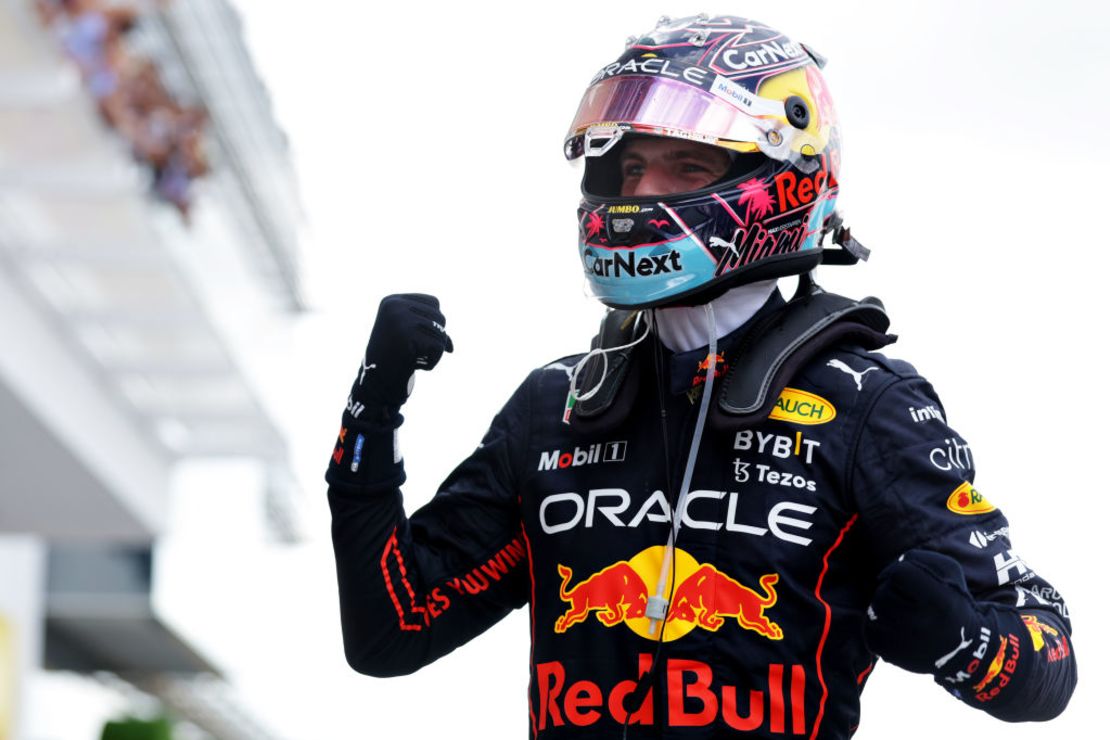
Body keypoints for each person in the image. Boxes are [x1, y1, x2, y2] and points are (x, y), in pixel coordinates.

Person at [326, 14, 1076, 738]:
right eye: (630, 166)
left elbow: (1047, 657)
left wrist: (965, 639)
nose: (642, 193)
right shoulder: (557, 404)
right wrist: (372, 414)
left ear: (781, 179)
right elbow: (394, 630)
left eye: (686, 165)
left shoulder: (864, 404)